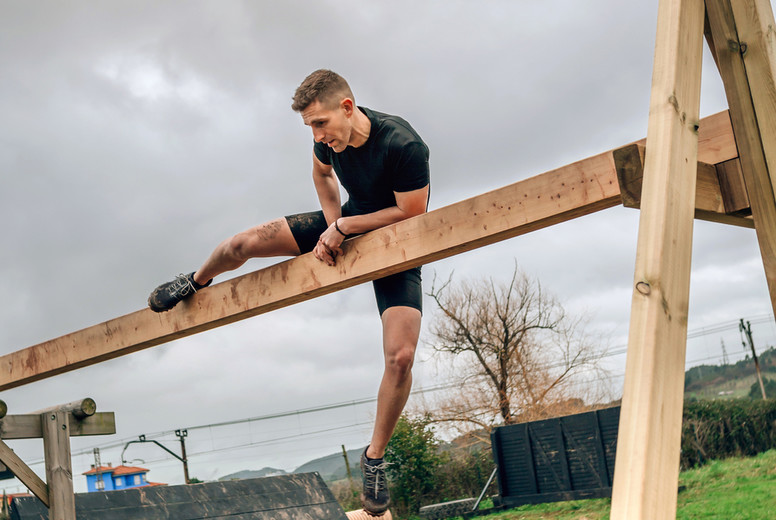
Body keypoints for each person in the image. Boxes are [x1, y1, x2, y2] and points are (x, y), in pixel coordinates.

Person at [147, 69, 430, 517]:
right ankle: (195, 280)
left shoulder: (403, 145)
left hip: (397, 237)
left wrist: (344, 227)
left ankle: (374, 457)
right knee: (243, 243)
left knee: (400, 358)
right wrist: (331, 223)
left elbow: (412, 214)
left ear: (347, 107)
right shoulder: (326, 141)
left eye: (320, 124)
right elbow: (322, 175)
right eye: (310, 128)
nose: (317, 136)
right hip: (348, 221)